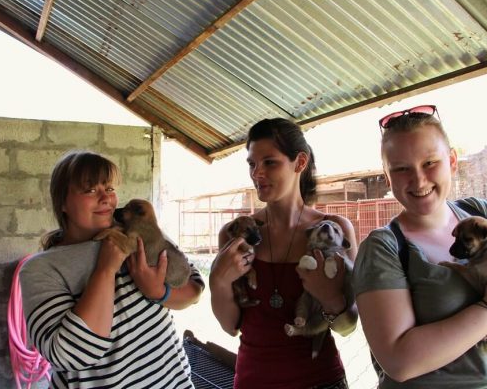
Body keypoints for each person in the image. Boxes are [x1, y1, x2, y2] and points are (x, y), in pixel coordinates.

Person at [352, 105, 487, 388]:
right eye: (401, 169)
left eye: (429, 163)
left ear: (451, 161)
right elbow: (399, 362)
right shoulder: (384, 248)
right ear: (387, 177)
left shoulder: (484, 215)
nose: (419, 180)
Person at [19, 150, 204, 389]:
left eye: (109, 188)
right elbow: (70, 355)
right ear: (62, 202)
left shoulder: (139, 229)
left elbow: (194, 288)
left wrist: (159, 292)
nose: (106, 197)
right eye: (90, 190)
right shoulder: (41, 269)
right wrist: (105, 270)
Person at [210, 118, 359, 389]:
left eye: (269, 162)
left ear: (300, 163)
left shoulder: (334, 231)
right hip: (252, 381)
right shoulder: (236, 234)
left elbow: (347, 328)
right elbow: (230, 326)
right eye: (252, 164)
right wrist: (218, 282)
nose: (257, 173)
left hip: (321, 382)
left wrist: (331, 298)